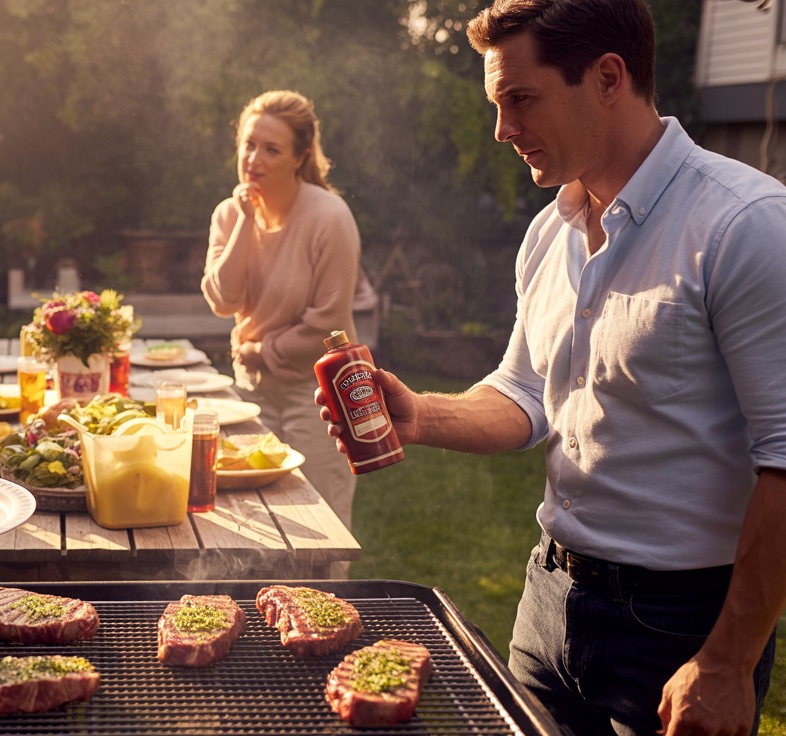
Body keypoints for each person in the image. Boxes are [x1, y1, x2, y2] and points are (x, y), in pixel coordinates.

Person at [318, 1, 785, 733]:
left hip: (681, 625)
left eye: (521, 99)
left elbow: (785, 457)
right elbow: (528, 391)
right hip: (548, 597)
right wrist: (421, 415)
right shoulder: (549, 232)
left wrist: (727, 661)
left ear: (606, 77)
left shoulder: (743, 225)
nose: (502, 130)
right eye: (496, 104)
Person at [201, 90, 363, 529]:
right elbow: (222, 300)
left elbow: (327, 324)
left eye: (271, 149)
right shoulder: (229, 215)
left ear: (299, 157)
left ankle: (330, 598)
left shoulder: (329, 216)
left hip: (320, 393)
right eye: (249, 144)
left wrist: (261, 350)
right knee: (253, 518)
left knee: (318, 521)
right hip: (251, 390)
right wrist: (245, 221)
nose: (254, 158)